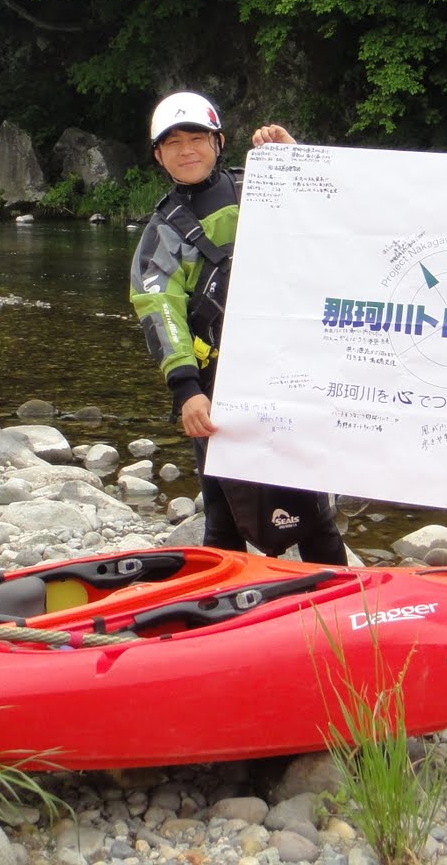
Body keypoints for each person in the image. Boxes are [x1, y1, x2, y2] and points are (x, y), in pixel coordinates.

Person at [129, 91, 348, 565]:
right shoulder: (161, 233)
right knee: (222, 507)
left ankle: (339, 597)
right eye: (173, 143)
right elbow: (159, 309)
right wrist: (187, 389)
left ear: (218, 142)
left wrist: (294, 159)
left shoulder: (261, 185)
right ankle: (224, 598)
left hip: (288, 370)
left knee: (312, 505)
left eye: (196, 138)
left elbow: (328, 216)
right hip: (217, 383)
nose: (186, 150)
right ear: (158, 155)